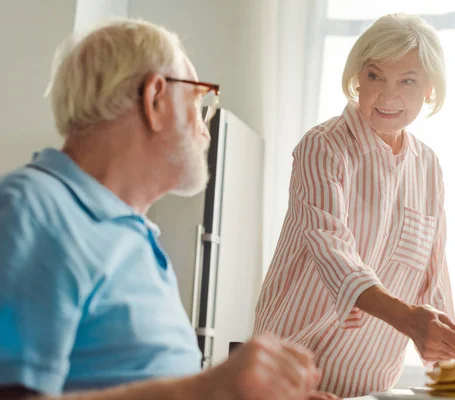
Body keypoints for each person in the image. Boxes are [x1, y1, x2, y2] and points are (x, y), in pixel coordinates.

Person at [0, 18, 321, 400]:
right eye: (200, 101)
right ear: (154, 99)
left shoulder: (135, 236)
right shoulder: (34, 208)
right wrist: (208, 388)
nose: (205, 129)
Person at [253, 13, 455, 398]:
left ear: (429, 90)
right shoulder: (323, 146)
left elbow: (432, 275)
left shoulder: (428, 166)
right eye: (375, 76)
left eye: (407, 81)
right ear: (357, 79)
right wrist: (410, 320)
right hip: (288, 378)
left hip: (370, 389)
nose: (388, 95)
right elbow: (333, 250)